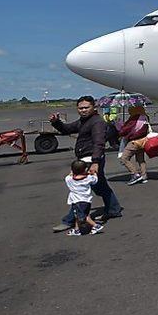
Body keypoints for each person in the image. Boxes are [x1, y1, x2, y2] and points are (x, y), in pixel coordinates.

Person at [50, 97, 123, 232]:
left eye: (86, 107)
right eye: (80, 108)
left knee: (78, 190)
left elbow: (99, 142)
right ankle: (113, 209)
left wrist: (95, 162)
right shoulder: (84, 121)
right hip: (86, 159)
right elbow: (67, 129)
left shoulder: (97, 123)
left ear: (94, 108)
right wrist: (56, 122)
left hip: (91, 160)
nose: (83, 110)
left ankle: (70, 220)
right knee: (101, 186)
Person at [64, 159, 104, 236]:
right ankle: (77, 230)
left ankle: (96, 226)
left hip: (77, 201)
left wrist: (73, 172)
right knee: (78, 216)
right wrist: (93, 173)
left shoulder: (69, 179)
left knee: (82, 216)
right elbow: (95, 180)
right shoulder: (88, 178)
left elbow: (69, 176)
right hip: (87, 200)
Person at [117, 105, 151, 185]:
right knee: (141, 160)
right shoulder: (145, 117)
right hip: (143, 141)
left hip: (134, 142)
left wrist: (120, 125)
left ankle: (135, 174)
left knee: (124, 158)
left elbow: (123, 131)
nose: (129, 110)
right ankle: (144, 176)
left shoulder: (134, 119)